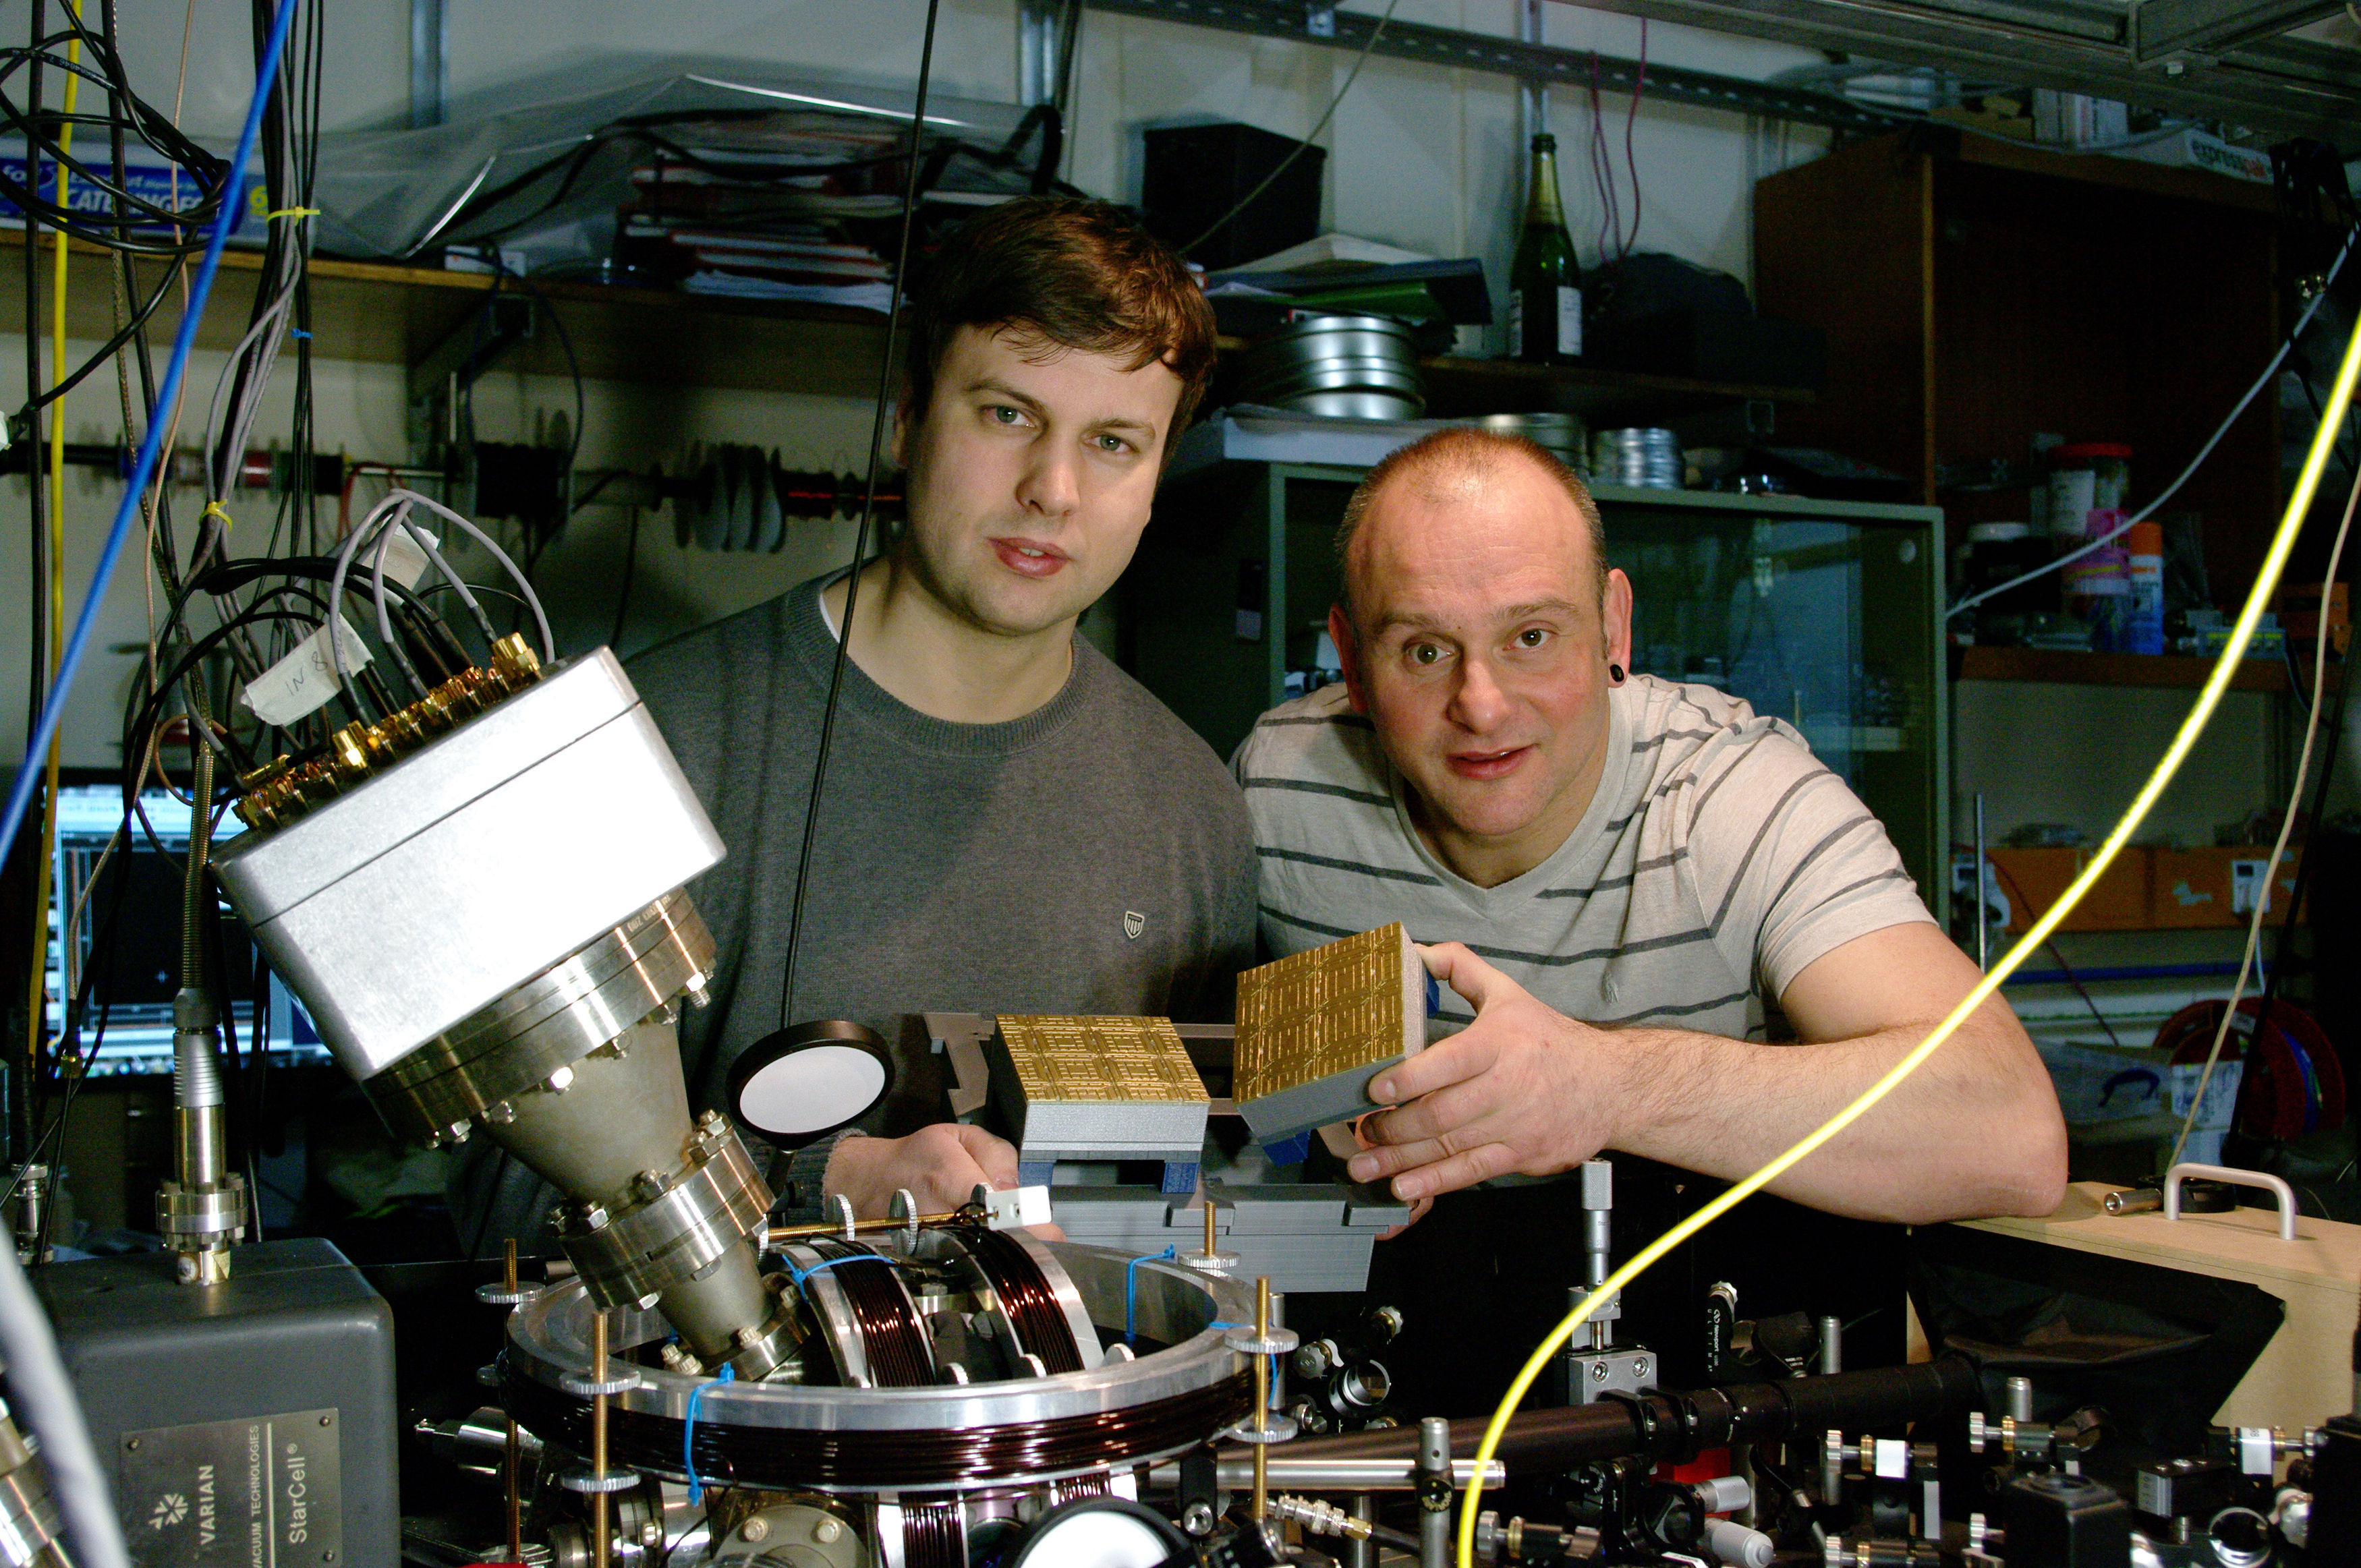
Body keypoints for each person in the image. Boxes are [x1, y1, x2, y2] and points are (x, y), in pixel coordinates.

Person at [453, 197, 1255, 1248]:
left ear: (1156, 482)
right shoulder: (644, 750)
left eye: (1113, 442)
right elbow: (496, 1210)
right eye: (1007, 414)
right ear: (910, 416)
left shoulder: (1195, 809)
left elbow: (1202, 1212)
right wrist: (826, 1186)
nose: (1052, 489)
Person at [1234, 427, 2066, 1234]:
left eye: (1530, 637)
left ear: (1612, 626)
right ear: (1349, 658)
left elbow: (2010, 1132)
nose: (1480, 706)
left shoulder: (1729, 796)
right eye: (1423, 651)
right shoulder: (1278, 786)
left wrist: (1604, 1087)